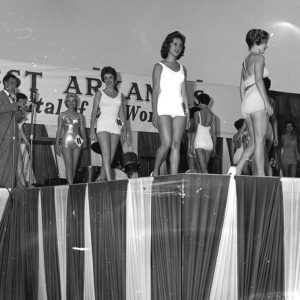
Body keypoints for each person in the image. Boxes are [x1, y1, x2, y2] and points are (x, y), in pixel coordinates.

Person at [228, 29, 273, 176]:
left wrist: (244, 105)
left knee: (254, 142)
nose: (266, 46)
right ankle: (261, 175)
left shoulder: (244, 62)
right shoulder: (259, 58)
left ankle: (237, 168)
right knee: (260, 141)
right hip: (257, 98)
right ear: (258, 42)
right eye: (265, 42)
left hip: (247, 100)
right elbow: (259, 80)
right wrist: (266, 102)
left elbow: (241, 87)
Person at [151, 31, 190, 176]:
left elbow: (184, 93)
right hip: (163, 107)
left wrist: (188, 112)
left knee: (176, 145)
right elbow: (155, 91)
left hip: (179, 109)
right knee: (166, 143)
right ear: (168, 45)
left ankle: (173, 177)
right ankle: (155, 171)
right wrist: (154, 112)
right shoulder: (159, 66)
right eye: (175, 44)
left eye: (180, 45)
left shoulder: (183, 69)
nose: (177, 47)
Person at [90, 66, 127, 181]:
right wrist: (92, 129)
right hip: (103, 125)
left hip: (115, 126)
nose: (108, 80)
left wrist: (124, 130)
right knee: (105, 155)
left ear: (115, 79)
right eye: (105, 78)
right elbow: (94, 112)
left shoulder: (120, 95)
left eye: (110, 77)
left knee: (110, 157)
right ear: (103, 80)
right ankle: (110, 182)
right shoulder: (99, 93)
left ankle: (101, 179)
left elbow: (121, 115)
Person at [0, 73, 27, 188]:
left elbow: (15, 119)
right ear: (5, 83)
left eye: (15, 85)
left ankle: (9, 187)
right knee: (4, 162)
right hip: (4, 135)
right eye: (11, 83)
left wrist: (22, 111)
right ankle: (2, 188)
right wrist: (16, 104)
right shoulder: (1, 95)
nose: (13, 87)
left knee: (12, 163)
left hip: (13, 135)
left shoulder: (11, 99)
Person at [55, 93, 87, 184]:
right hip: (66, 140)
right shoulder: (62, 114)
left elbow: (82, 129)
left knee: (74, 167)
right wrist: (57, 144)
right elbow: (59, 129)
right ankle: (71, 186)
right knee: (68, 165)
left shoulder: (80, 115)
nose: (71, 103)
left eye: (73, 101)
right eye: (69, 101)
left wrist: (85, 141)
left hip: (78, 140)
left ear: (76, 102)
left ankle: (70, 184)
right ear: (66, 102)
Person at [192, 93, 216, 173]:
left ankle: (209, 185)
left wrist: (191, 145)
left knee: (204, 169)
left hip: (199, 142)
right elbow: (214, 134)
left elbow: (195, 131)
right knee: (200, 169)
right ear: (208, 102)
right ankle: (200, 186)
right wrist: (214, 148)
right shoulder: (213, 116)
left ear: (199, 101)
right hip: (209, 143)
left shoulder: (197, 114)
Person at [186, 90, 202, 172]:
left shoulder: (192, 111)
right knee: (200, 168)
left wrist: (190, 145)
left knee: (193, 169)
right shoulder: (207, 112)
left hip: (194, 141)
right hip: (202, 141)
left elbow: (191, 130)